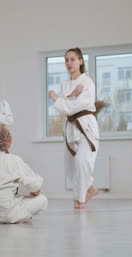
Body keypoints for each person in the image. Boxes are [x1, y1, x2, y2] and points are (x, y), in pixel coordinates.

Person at [48, 47, 99, 209]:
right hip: (70, 126)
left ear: (81, 61)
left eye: (72, 59)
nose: (69, 63)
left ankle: (80, 198)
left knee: (82, 161)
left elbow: (75, 106)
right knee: (70, 166)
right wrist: (70, 96)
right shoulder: (65, 84)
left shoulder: (87, 82)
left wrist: (58, 98)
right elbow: (64, 108)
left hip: (86, 124)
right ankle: (90, 188)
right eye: (66, 60)